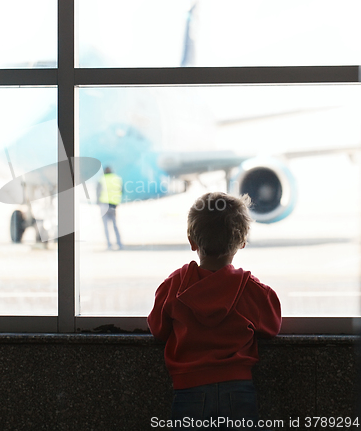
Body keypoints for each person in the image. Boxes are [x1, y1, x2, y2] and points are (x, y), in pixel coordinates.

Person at [148, 192, 281, 429]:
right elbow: (271, 327)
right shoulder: (250, 289)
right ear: (242, 242)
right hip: (238, 388)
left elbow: (158, 329)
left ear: (192, 240)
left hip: (188, 388)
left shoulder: (174, 286)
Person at [97, 166, 123, 250]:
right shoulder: (117, 179)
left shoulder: (101, 179)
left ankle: (109, 245)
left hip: (104, 205)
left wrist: (98, 203)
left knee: (106, 226)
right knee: (115, 225)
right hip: (113, 205)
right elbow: (121, 190)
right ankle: (119, 244)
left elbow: (98, 192)